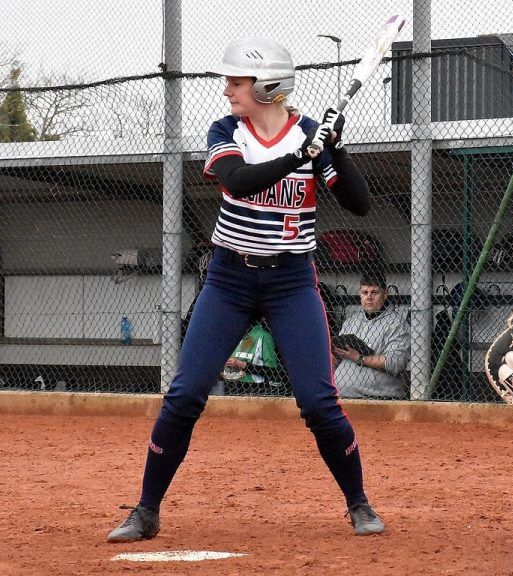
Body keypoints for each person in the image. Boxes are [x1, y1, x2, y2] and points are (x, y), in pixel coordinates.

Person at [107, 37, 384, 542]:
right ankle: (146, 510)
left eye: (237, 83)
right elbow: (237, 181)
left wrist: (336, 150)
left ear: (268, 87)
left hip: (291, 283)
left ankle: (359, 503)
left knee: (319, 402)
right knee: (185, 394)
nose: (228, 90)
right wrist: (299, 153)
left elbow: (360, 204)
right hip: (229, 280)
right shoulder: (227, 131)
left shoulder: (311, 135)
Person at [333, 271, 411, 399]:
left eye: (374, 292)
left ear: (385, 294)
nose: (369, 297)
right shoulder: (352, 321)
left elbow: (395, 363)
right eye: (365, 292)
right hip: (342, 396)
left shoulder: (397, 324)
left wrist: (360, 358)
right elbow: (336, 357)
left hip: (377, 398)